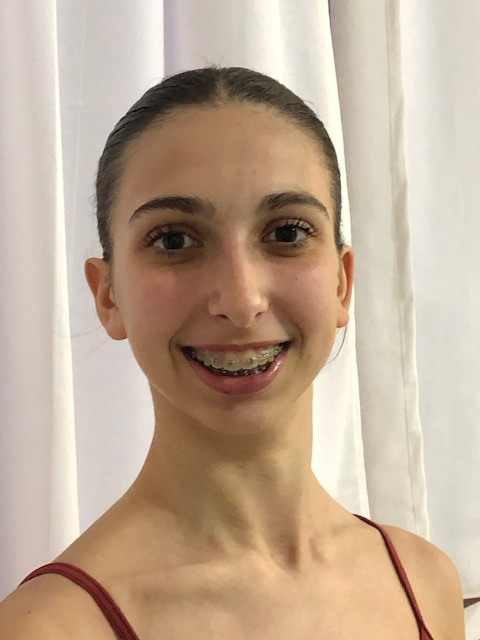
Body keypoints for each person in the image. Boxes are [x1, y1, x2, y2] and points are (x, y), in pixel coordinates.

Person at [0, 66, 465, 639]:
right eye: (174, 240)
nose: (241, 301)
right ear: (108, 294)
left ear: (342, 282)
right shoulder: (49, 628)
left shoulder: (425, 582)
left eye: (287, 233)